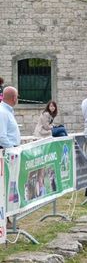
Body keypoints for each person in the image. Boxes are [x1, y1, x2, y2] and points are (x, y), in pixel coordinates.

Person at [0, 86, 21, 228]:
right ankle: (5, 220)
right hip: (6, 154)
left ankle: (6, 219)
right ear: (14, 98)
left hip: (9, 153)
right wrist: (13, 149)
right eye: (17, 96)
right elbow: (2, 136)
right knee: (4, 188)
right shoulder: (2, 112)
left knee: (7, 188)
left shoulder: (7, 111)